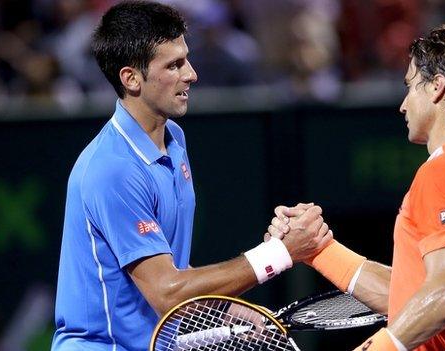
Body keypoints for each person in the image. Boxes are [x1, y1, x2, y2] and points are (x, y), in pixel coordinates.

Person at [51, 2, 332, 350]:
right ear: (131, 78)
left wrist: (226, 306)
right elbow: (168, 292)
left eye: (186, 58)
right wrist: (277, 254)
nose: (192, 74)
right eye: (174, 65)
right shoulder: (112, 170)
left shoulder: (175, 139)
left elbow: (167, 266)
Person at [270, 25, 445, 350]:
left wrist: (376, 348)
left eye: (410, 87)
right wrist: (318, 250)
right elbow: (415, 295)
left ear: (437, 87)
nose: (403, 105)